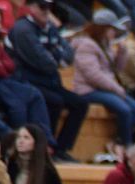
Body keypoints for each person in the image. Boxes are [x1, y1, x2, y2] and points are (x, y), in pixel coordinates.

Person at [0, 5, 59, 151]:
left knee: (35, 94)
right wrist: (3, 66)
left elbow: (10, 64)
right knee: (17, 105)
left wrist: (3, 66)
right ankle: (18, 143)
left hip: (3, 80)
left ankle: (45, 141)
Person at [8, 0, 88, 162]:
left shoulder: (50, 28)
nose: (47, 10)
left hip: (50, 82)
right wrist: (56, 57)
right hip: (28, 81)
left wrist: (55, 58)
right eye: (42, 6)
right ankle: (46, 147)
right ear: (30, 7)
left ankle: (61, 148)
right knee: (54, 101)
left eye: (50, 7)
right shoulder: (23, 29)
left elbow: (68, 55)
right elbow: (42, 61)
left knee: (80, 103)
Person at [72, 9, 135, 151]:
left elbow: (117, 69)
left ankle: (118, 141)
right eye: (111, 29)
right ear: (102, 28)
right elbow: (94, 75)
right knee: (124, 109)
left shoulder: (106, 44)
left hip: (105, 88)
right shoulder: (86, 45)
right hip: (88, 89)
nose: (114, 33)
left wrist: (122, 53)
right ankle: (126, 146)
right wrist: (116, 89)